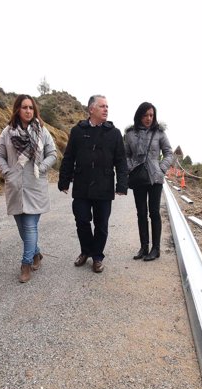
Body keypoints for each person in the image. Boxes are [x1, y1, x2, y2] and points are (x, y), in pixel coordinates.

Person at [58, 95, 127, 273]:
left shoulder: (114, 133)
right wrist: (64, 181)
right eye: (102, 106)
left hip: (104, 186)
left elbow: (121, 161)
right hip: (82, 184)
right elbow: (68, 157)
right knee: (82, 220)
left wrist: (121, 185)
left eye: (107, 106)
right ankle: (85, 251)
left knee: (101, 224)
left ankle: (97, 256)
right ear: (91, 109)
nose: (106, 109)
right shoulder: (78, 131)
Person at [0, 95, 57, 283]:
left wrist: (42, 168)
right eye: (24, 107)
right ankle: (36, 253)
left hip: (35, 186)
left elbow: (52, 153)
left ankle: (26, 264)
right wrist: (7, 172)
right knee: (22, 229)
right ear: (17, 110)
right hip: (15, 186)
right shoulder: (7, 132)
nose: (28, 111)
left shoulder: (42, 131)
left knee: (30, 227)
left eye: (31, 107)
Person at [124, 102, 175, 261]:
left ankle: (156, 249)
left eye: (151, 115)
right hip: (138, 177)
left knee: (154, 213)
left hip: (155, 178)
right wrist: (131, 167)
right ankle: (143, 247)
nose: (148, 118)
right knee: (141, 213)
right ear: (139, 115)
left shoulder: (159, 133)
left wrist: (161, 168)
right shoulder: (130, 134)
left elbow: (169, 153)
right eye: (145, 115)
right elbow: (125, 155)